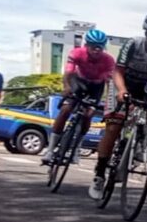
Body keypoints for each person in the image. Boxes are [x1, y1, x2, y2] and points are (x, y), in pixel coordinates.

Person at [89, 13, 147, 199]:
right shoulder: (133, 44)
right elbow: (117, 71)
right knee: (113, 127)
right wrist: (121, 91)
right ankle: (99, 174)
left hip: (143, 85)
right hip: (122, 82)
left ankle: (140, 141)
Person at [43, 29, 115, 164]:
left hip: (95, 87)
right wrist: (67, 88)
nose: (96, 50)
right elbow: (68, 73)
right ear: (86, 45)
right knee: (65, 110)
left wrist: (109, 105)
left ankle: (76, 148)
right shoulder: (77, 53)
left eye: (100, 47)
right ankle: (50, 149)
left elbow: (110, 84)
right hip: (78, 82)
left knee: (88, 115)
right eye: (93, 46)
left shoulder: (108, 60)